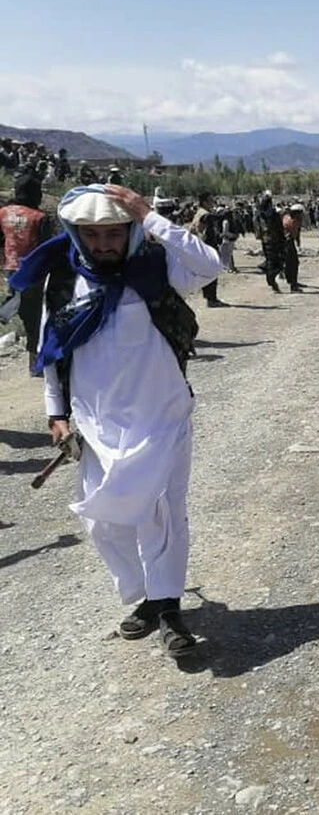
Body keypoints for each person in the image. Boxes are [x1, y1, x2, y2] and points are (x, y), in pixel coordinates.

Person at [10, 184, 220, 657]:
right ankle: (148, 594)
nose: (103, 244)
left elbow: (209, 265)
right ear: (75, 234)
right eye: (92, 234)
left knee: (162, 515)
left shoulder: (156, 267)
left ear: (131, 231)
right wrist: (56, 413)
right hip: (96, 422)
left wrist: (148, 215)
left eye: (113, 233)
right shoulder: (64, 279)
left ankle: (168, 607)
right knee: (104, 521)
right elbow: (52, 350)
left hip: (161, 415)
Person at [1, 171, 58, 372]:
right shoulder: (39, 217)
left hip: (11, 270)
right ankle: (35, 361)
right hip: (34, 272)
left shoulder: (3, 213)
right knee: (35, 315)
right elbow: (46, 247)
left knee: (22, 311)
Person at [188, 191, 228, 308]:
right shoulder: (205, 214)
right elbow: (210, 223)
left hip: (201, 246)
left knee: (206, 273)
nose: (212, 203)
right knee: (212, 272)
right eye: (210, 201)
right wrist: (224, 213)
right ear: (205, 202)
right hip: (207, 247)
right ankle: (212, 299)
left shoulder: (199, 213)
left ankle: (210, 298)